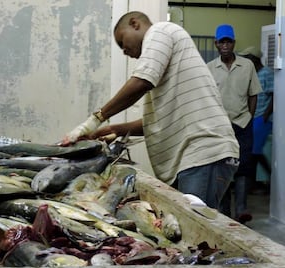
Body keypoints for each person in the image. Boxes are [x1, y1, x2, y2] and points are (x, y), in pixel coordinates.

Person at [62, 11, 239, 210]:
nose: (124, 51)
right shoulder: (165, 63)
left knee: (196, 230)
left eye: (122, 42)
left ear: (135, 23)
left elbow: (141, 82)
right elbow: (156, 122)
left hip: (202, 153)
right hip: (193, 159)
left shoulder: (161, 31)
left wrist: (95, 120)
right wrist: (117, 130)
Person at [207, 25, 262, 223]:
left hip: (242, 124)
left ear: (234, 43)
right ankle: (224, 210)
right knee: (221, 166)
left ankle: (241, 209)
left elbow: (253, 94)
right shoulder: (210, 68)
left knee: (243, 166)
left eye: (228, 41)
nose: (225, 45)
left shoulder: (246, 66)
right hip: (220, 126)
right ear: (216, 44)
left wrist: (249, 116)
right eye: (221, 42)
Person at [239, 46, 274, 193]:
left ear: (254, 59)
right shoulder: (251, 73)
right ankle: (255, 184)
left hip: (262, 118)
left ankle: (262, 183)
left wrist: (266, 115)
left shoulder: (267, 73)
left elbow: (274, 95)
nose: (245, 60)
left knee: (254, 151)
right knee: (253, 151)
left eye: (247, 58)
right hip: (253, 117)